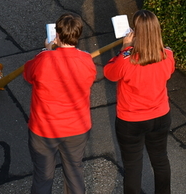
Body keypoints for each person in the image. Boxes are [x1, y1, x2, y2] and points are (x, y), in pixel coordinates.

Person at [24, 13, 96, 194]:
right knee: (74, 173)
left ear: (57, 35)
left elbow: (28, 74)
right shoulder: (87, 60)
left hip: (44, 129)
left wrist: (46, 51)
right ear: (77, 36)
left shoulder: (44, 59)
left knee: (43, 177)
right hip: (77, 128)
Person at [104, 10, 175, 194]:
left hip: (131, 121)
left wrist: (125, 48)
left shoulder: (127, 60)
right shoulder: (167, 55)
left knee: (133, 168)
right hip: (160, 116)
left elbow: (110, 72)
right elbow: (167, 70)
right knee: (160, 160)